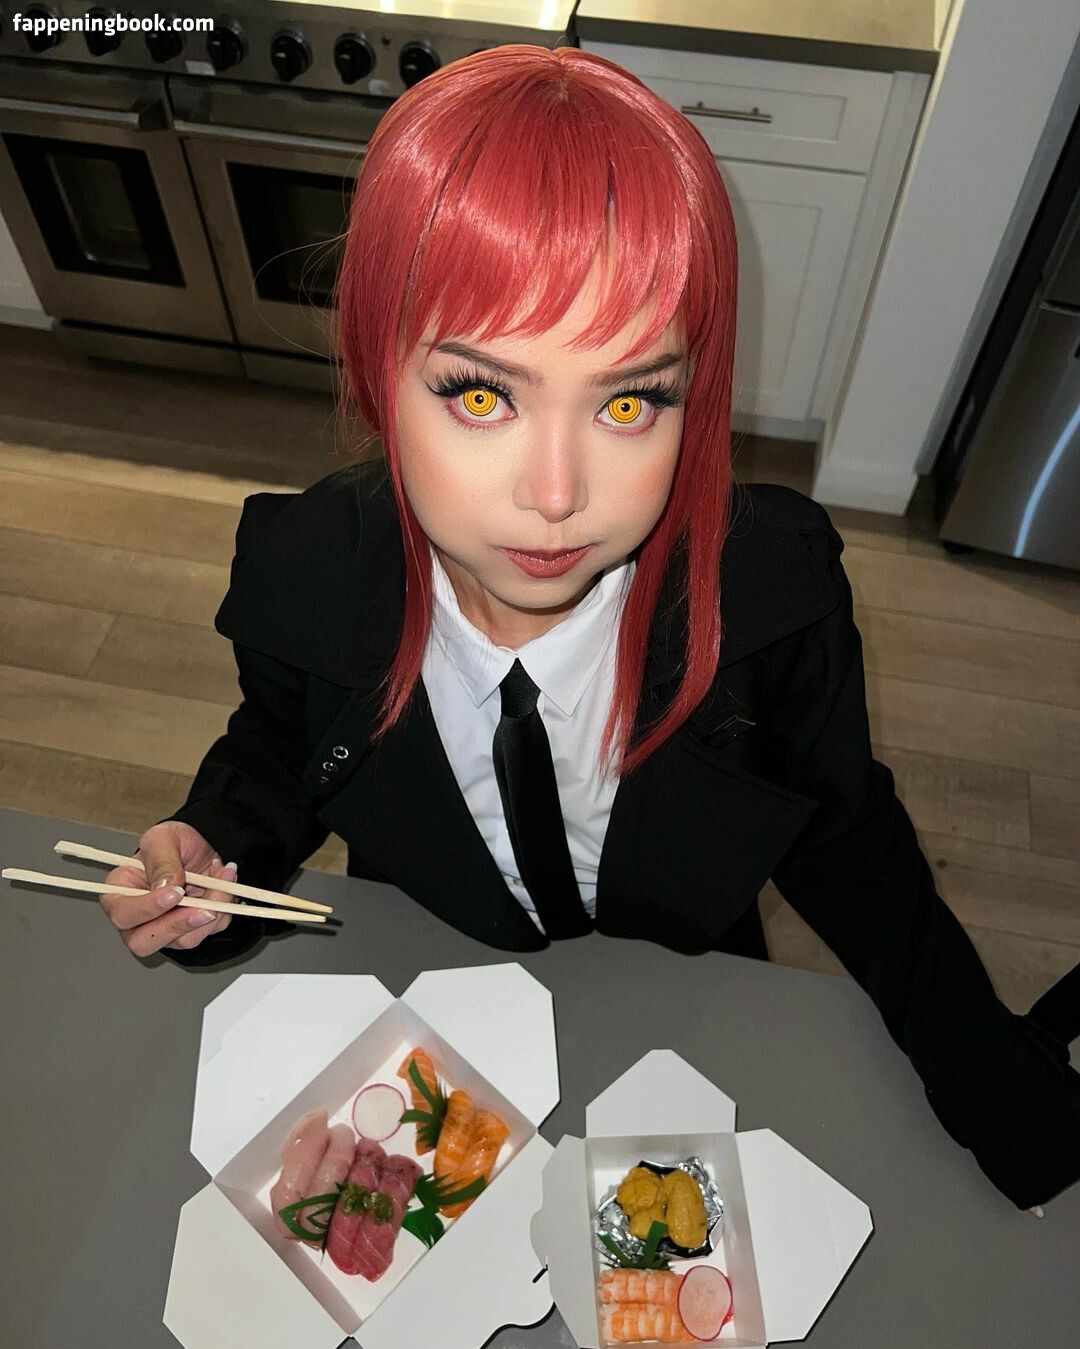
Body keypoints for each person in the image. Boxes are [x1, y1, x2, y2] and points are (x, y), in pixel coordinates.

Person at [98, 45, 1078, 1212]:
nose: (556, 494)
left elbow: (849, 841)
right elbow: (280, 744)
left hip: (683, 999)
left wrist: (1003, 1095)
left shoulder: (771, 606)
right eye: (481, 395)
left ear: (693, 396)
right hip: (438, 975)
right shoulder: (307, 571)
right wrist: (219, 851)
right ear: (374, 373)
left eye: (627, 400)